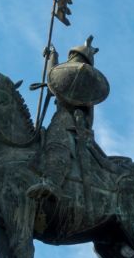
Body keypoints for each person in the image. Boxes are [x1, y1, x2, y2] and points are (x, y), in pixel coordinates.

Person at [26, 35, 109, 201]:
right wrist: (52, 57)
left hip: (71, 122)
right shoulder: (69, 77)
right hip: (60, 118)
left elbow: (56, 84)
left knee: (57, 142)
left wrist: (53, 60)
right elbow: (54, 83)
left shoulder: (85, 82)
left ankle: (52, 183)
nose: (70, 61)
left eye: (72, 58)